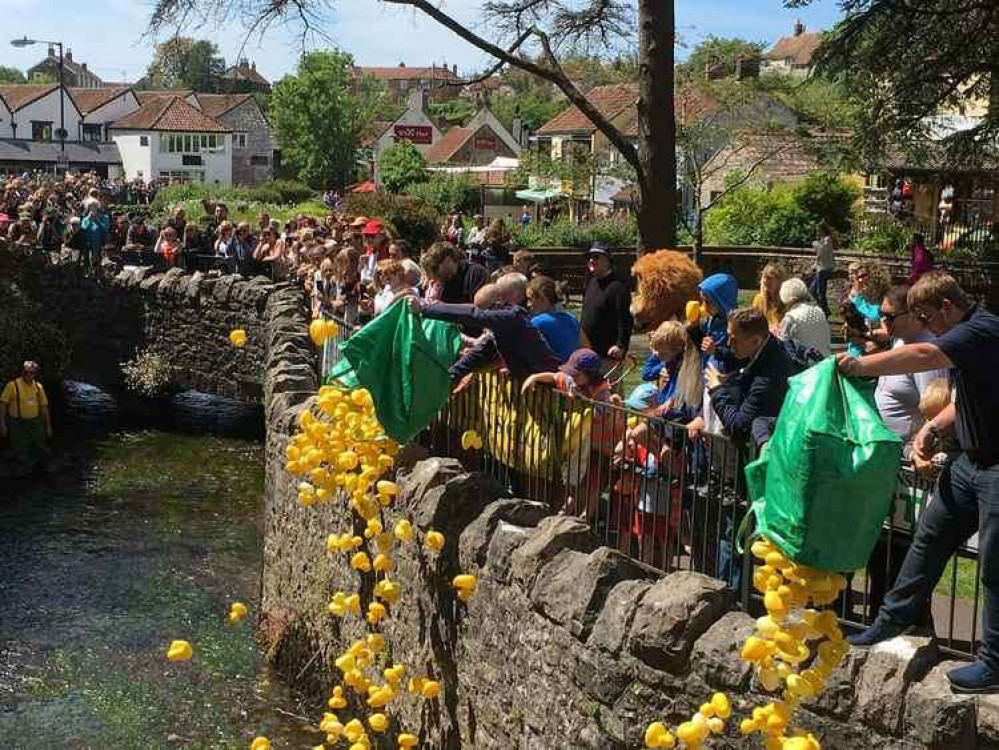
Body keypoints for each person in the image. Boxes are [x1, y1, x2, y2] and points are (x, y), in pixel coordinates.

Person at [839, 272, 999, 693]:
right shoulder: (969, 334)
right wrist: (932, 428)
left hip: (996, 469)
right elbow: (968, 398)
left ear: (947, 305)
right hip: (969, 463)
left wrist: (861, 363)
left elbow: (924, 354)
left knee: (994, 566)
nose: (927, 325)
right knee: (927, 539)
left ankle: (994, 663)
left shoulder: (979, 330)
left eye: (928, 316)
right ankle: (891, 620)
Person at [415, 272, 561, 382]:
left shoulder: (511, 317)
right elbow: (480, 352)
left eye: (483, 310)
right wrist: (450, 376)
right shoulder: (502, 326)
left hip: (551, 383)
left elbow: (473, 315)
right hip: (536, 384)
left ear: (498, 303)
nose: (483, 315)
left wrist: (425, 308)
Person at [689, 307, 795, 443]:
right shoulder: (764, 348)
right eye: (728, 338)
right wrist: (729, 381)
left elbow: (738, 426)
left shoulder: (767, 378)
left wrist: (717, 390)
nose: (728, 344)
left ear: (756, 340)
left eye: (734, 340)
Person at [873, 285, 949, 450]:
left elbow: (934, 410)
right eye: (881, 314)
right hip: (892, 449)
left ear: (913, 315)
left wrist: (920, 451)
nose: (884, 321)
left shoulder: (925, 353)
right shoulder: (900, 340)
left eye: (890, 316)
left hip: (911, 452)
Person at [580, 243, 633, 361]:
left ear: (608, 261)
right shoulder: (591, 282)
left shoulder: (617, 287)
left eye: (596, 257)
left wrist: (621, 345)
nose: (591, 260)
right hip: (587, 351)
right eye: (589, 257)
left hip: (608, 354)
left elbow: (625, 318)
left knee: (606, 380)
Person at [0, 360, 52, 474]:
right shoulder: (12, 385)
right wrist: (2, 424)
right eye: (26, 372)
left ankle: (40, 467)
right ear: (22, 372)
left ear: (35, 374)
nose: (29, 375)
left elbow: (44, 407)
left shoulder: (38, 387)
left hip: (35, 421)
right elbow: (3, 404)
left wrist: (48, 426)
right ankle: (24, 469)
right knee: (20, 447)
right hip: (17, 423)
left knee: (40, 443)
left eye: (32, 373)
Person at [526, 275, 579, 363]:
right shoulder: (571, 318)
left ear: (543, 298)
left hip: (555, 372)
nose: (528, 304)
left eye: (530, 299)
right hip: (573, 369)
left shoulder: (537, 322)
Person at [421, 241, 489, 305]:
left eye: (434, 269)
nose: (433, 275)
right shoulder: (441, 280)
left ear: (448, 260)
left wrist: (441, 307)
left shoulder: (477, 273)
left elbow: (477, 308)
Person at [777, 278, 832, 357]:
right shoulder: (820, 311)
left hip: (805, 364)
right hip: (825, 361)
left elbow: (782, 346)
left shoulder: (790, 318)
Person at [810, 221, 837, 316]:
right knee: (813, 290)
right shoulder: (822, 240)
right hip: (821, 269)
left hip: (826, 269)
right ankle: (824, 308)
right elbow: (819, 255)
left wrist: (814, 244)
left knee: (820, 292)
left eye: (818, 230)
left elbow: (821, 251)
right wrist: (815, 264)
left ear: (822, 230)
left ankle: (824, 310)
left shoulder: (827, 240)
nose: (817, 232)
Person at [752, 263, 787, 331]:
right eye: (764, 277)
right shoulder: (759, 299)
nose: (765, 281)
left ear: (780, 280)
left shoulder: (786, 300)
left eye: (769, 278)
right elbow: (754, 323)